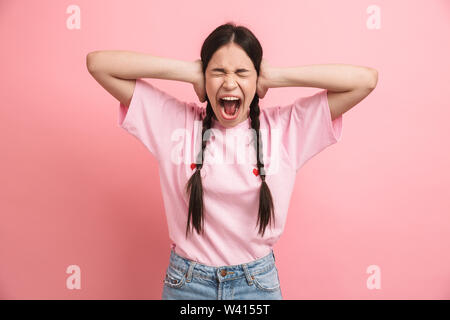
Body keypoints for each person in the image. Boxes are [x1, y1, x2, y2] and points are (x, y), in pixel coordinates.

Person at [87, 22, 368, 300]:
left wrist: (276, 76)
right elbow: (99, 64)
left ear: (257, 80)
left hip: (256, 286)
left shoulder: (286, 129)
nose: (230, 82)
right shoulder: (174, 122)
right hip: (187, 285)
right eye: (218, 72)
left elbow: (364, 81)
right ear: (204, 79)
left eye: (242, 73)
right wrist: (188, 72)